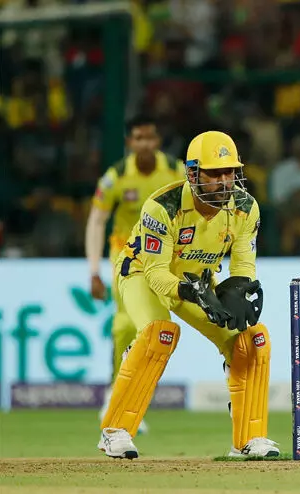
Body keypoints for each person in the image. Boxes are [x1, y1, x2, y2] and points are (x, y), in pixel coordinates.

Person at [97, 131, 277, 460]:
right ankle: (115, 432)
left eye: (229, 172)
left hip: (197, 280)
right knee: (158, 334)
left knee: (250, 341)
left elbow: (243, 264)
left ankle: (249, 439)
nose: (224, 182)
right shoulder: (162, 207)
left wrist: (239, 288)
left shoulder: (245, 207)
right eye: (214, 173)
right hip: (141, 273)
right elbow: (156, 273)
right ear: (193, 174)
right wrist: (187, 290)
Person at [85, 115, 185, 435]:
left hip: (165, 257)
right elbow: (97, 220)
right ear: (129, 142)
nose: (145, 144)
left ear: (158, 141)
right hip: (125, 255)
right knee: (125, 325)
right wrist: (93, 271)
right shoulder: (116, 177)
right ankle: (117, 394)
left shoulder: (175, 170)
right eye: (138, 138)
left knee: (154, 328)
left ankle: (131, 397)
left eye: (150, 138)